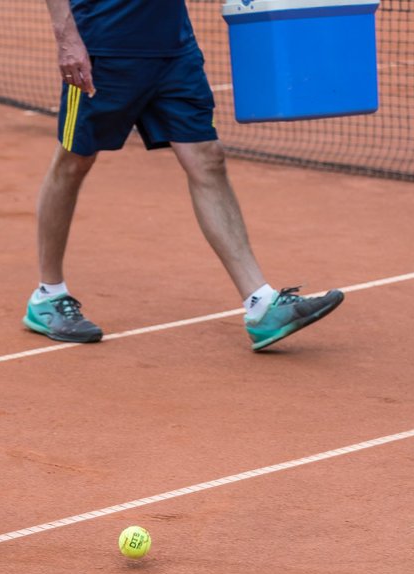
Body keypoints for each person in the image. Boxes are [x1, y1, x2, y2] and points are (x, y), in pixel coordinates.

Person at [25, 0, 343, 351]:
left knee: (208, 158)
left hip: (174, 50)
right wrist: (67, 37)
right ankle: (48, 295)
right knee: (74, 162)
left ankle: (260, 304)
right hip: (103, 46)